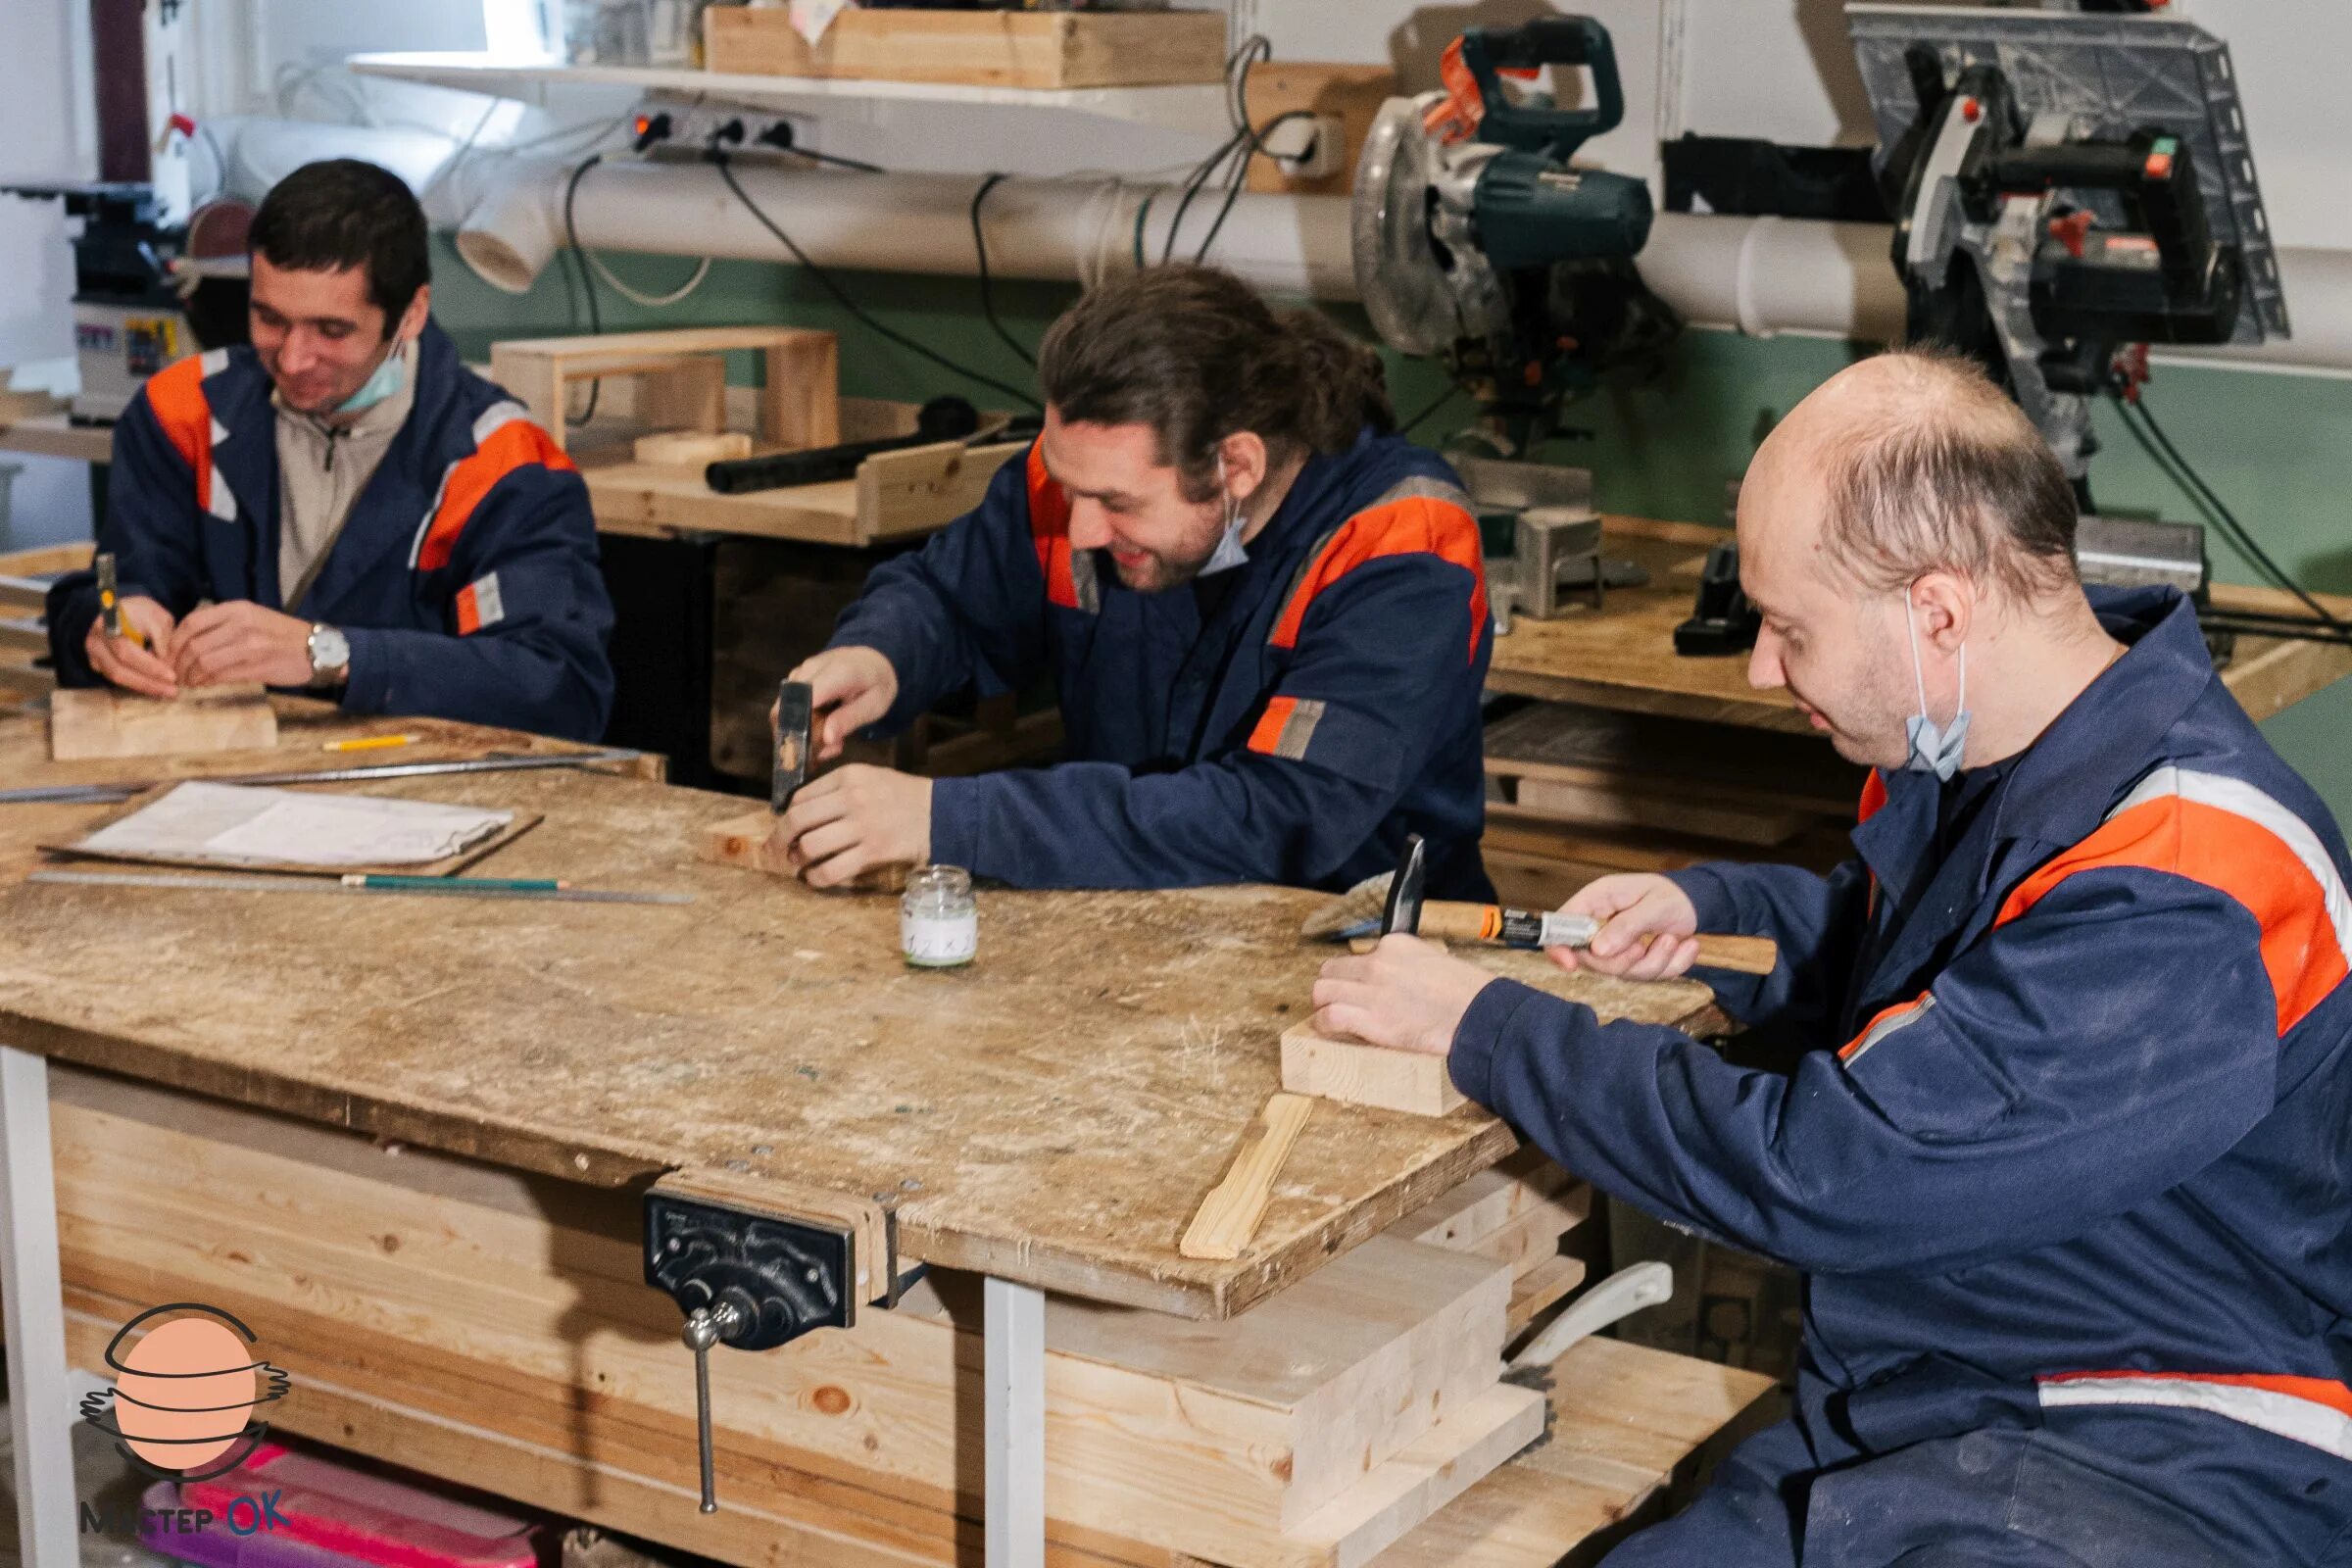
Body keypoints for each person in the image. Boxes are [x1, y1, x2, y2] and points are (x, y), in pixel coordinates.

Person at [1312, 348, 2352, 1564]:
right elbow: (1936, 968)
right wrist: (1718, 923)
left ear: (1941, 611)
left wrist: (1488, 1027)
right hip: (1943, 1381)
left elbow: (1831, 1172)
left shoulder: (2188, 889)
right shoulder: (2041, 758)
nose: (1761, 664)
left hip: (2166, 1443)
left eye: (1788, 626)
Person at [776, 264, 1494, 896]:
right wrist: (881, 657)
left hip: (1362, 963)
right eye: (1069, 487)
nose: (1081, 529)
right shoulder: (1086, 478)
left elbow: (1277, 815)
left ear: (1235, 467)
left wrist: (951, 820)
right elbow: (949, 598)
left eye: (1119, 504)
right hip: (1127, 926)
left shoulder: (1406, 543)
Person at [47, 159, 614, 741]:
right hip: (228, 785)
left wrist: (334, 655)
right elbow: (115, 573)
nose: (292, 360)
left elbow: (562, 687)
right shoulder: (180, 412)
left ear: (410, 314)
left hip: (418, 799)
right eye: (269, 318)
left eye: (331, 331)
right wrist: (104, 618)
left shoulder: (502, 464)